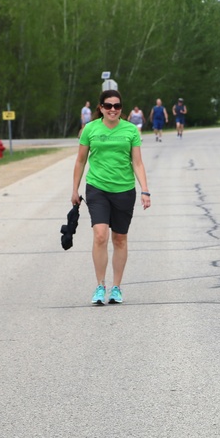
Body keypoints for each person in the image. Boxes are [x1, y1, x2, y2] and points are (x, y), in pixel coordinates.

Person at [72, 89, 151, 305]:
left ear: (121, 108)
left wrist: (144, 189)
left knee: (119, 238)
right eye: (108, 106)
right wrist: (74, 189)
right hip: (97, 188)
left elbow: (137, 162)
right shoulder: (90, 129)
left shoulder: (131, 130)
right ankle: (100, 286)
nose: (113, 110)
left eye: (117, 106)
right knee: (100, 235)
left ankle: (116, 288)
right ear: (101, 108)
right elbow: (80, 161)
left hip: (124, 190)